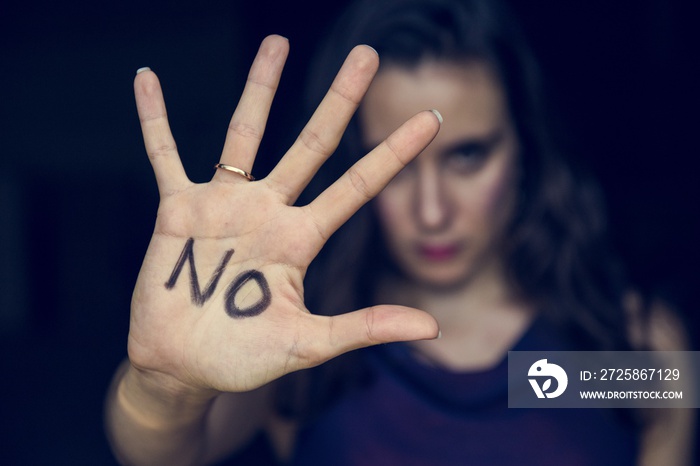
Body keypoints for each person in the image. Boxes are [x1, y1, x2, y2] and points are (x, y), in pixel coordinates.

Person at [105, 0, 695, 464]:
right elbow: (163, 454)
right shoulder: (296, 334)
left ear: (526, 148)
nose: (432, 211)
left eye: (467, 156)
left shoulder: (630, 347)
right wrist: (163, 385)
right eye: (397, 166)